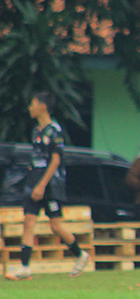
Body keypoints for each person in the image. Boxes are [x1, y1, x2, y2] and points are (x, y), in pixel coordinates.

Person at [5, 92, 90, 281]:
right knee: (28, 222)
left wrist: (42, 185)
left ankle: (80, 254)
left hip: (50, 185)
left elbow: (55, 160)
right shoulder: (36, 131)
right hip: (33, 182)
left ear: (42, 107)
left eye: (32, 104)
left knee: (56, 226)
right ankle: (25, 267)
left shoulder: (55, 131)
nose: (29, 108)